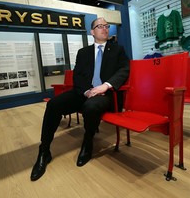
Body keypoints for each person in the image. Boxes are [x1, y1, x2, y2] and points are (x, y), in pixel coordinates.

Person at [30, 17, 130, 181]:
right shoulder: (83, 52)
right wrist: (86, 91)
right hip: (84, 93)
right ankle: (44, 150)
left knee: (90, 107)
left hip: (106, 95)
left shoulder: (117, 49)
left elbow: (124, 70)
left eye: (106, 26)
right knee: (54, 104)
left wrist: (105, 86)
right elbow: (78, 76)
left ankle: (88, 141)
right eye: (100, 26)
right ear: (92, 32)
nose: (104, 28)